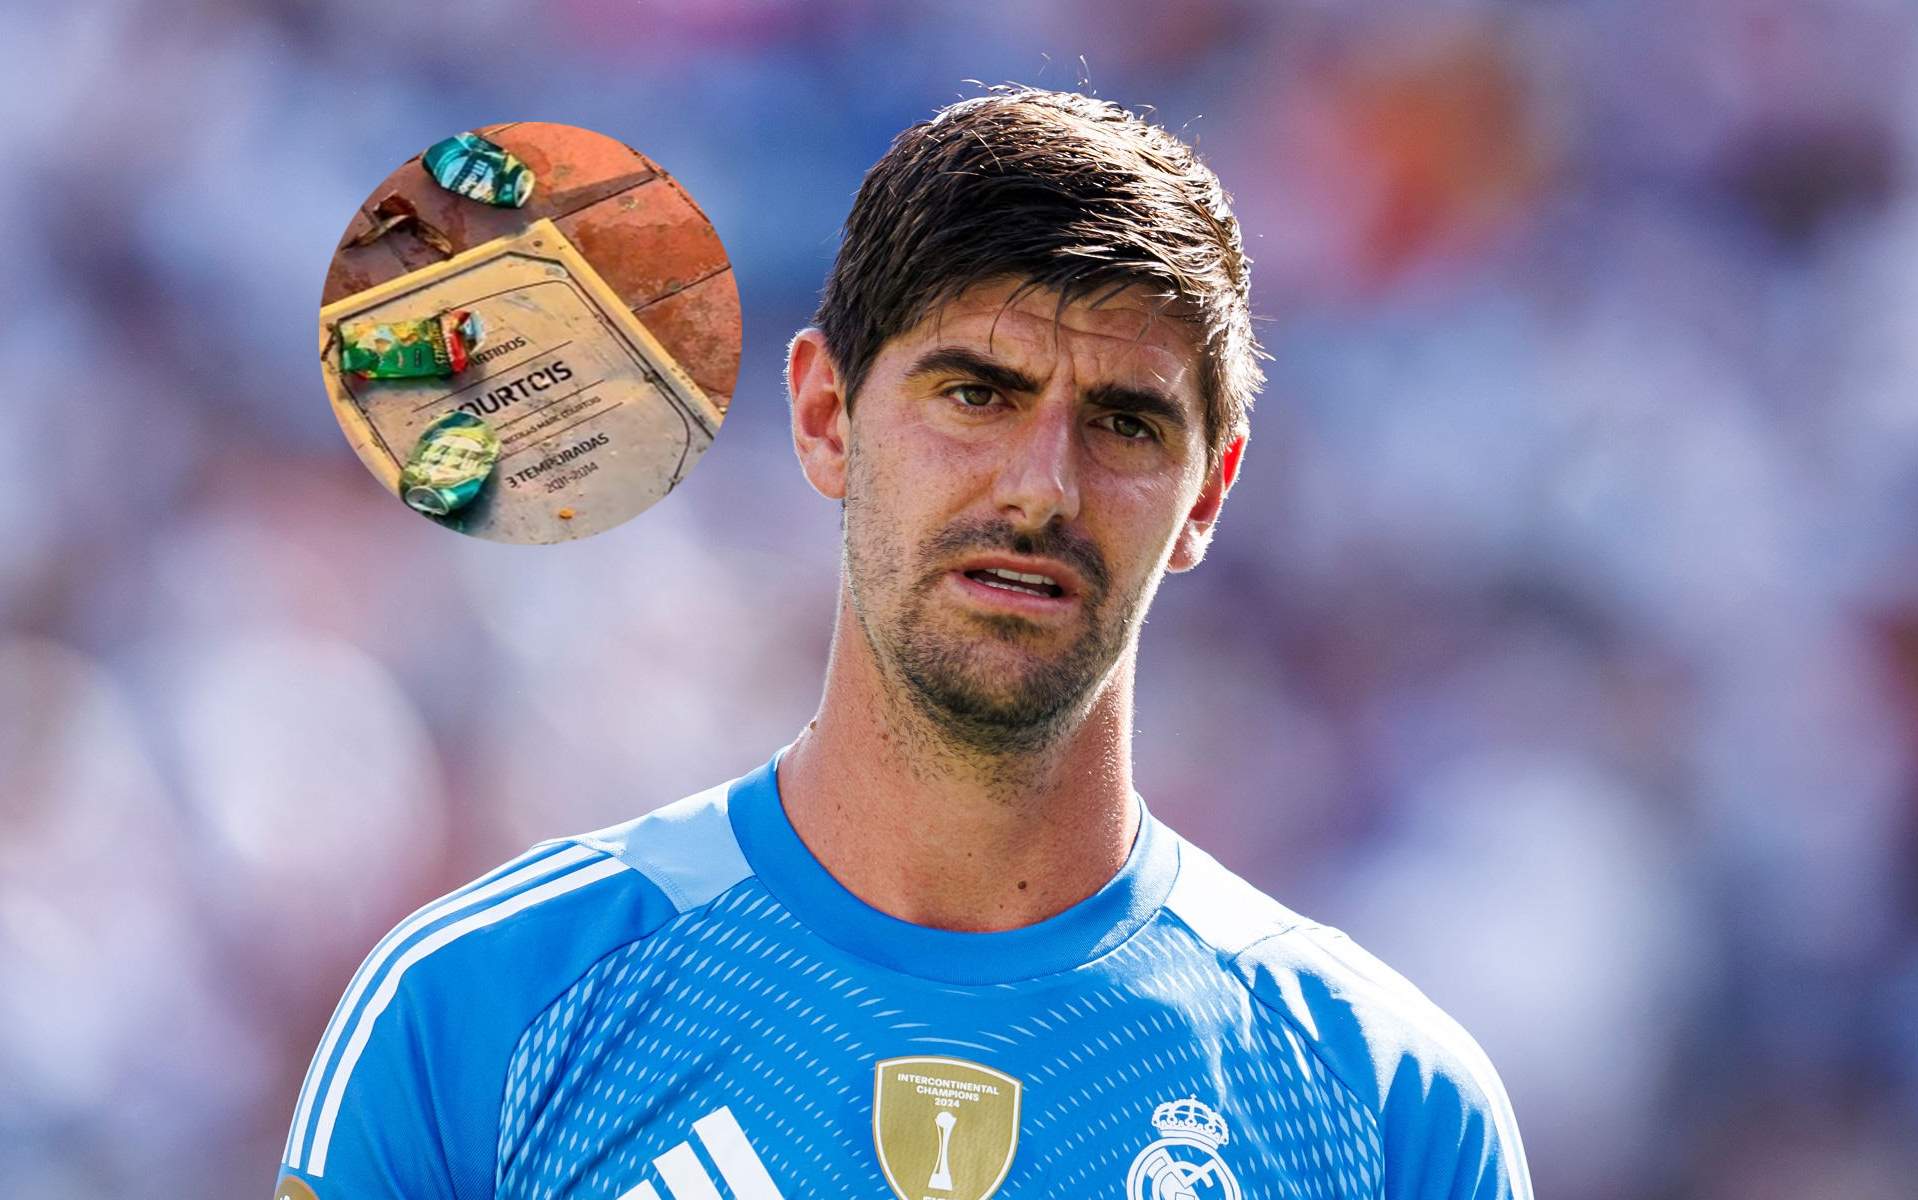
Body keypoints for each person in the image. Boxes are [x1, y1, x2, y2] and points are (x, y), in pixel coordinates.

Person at [276, 87, 1532, 1200]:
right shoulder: (477, 1009)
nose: (1040, 487)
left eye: (1126, 422)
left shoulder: (1384, 1108)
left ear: (1207, 492)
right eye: (974, 393)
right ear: (824, 416)